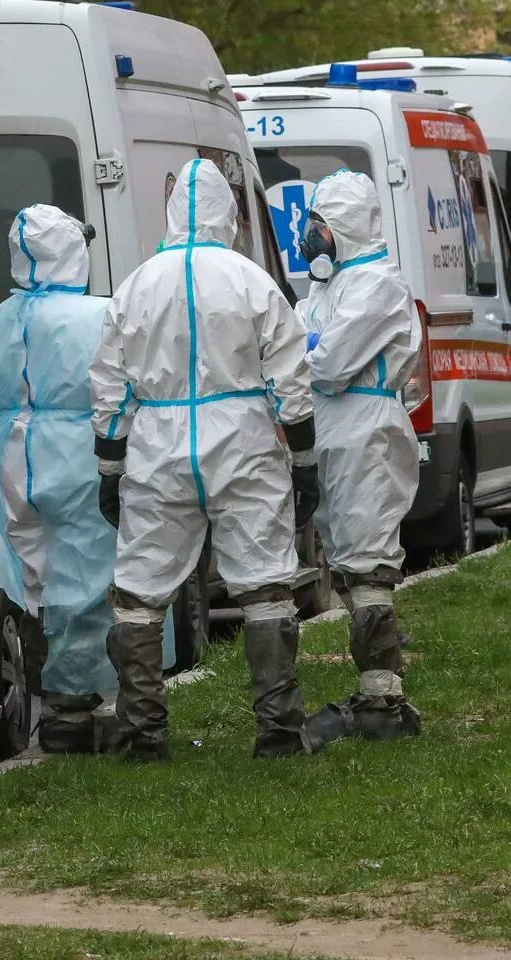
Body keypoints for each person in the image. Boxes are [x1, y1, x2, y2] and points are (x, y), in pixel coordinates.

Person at [90, 159, 320, 762]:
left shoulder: (136, 285)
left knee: (140, 591)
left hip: (159, 443)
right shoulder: (251, 280)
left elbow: (109, 388)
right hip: (242, 438)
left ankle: (141, 732)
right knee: (265, 583)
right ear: (230, 213)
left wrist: (109, 469)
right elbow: (291, 378)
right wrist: (303, 458)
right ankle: (278, 729)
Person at [0, 204, 117, 753]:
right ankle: (81, 706)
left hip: (11, 456)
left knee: (31, 583)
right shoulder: (97, 315)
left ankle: (48, 698)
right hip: (78, 452)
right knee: (85, 581)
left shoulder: (0, 320)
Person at [294, 169, 424, 746]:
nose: (310, 235)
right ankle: (375, 691)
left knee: (368, 559)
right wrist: (309, 347)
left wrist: (310, 349)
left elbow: (325, 365)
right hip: (334, 428)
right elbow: (296, 348)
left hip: (365, 429)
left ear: (343, 225)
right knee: (345, 558)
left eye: (320, 224)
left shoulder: (377, 284)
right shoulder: (330, 286)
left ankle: (381, 700)